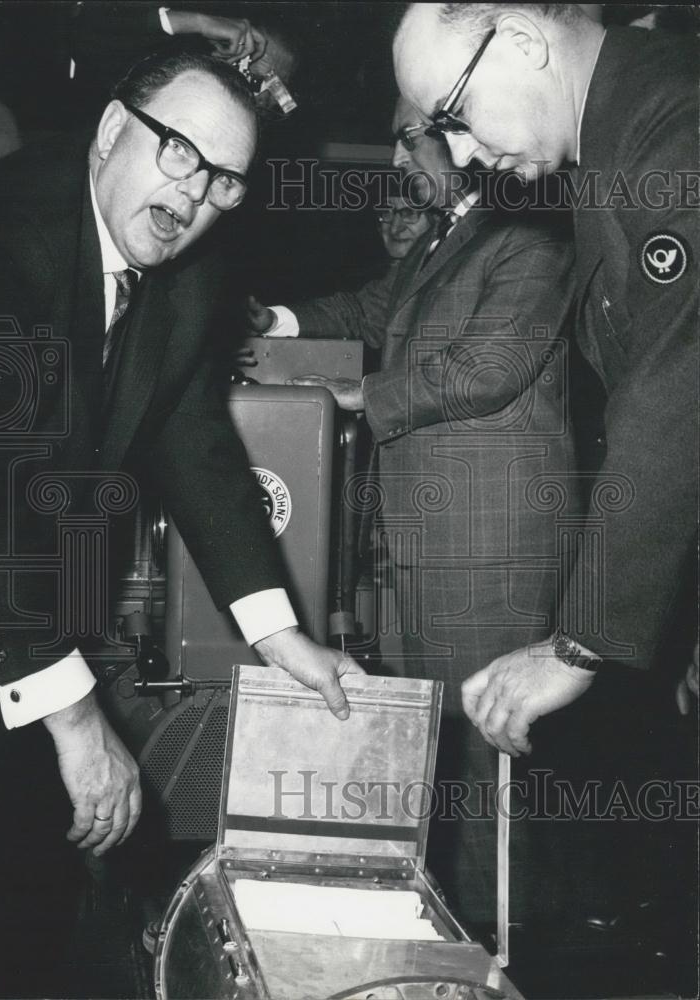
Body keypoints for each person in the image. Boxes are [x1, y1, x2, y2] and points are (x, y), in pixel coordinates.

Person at [0, 42, 362, 873]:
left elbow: (189, 439)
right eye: (180, 149)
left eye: (223, 178)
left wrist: (277, 636)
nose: (193, 194)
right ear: (113, 127)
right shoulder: (7, 238)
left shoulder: (189, 268)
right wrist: (79, 721)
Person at [247, 97, 577, 927]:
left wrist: (358, 393)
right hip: (429, 538)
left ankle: (495, 952)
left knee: (480, 762)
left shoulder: (536, 231)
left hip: (490, 546)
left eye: (405, 138)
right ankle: (443, 937)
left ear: (460, 136)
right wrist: (273, 324)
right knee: (434, 753)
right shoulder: (451, 233)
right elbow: (369, 310)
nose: (396, 161)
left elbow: (489, 366)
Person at [393, 1, 698, 756]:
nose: (459, 155)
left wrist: (580, 643)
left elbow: (676, 386)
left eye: (454, 115)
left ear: (523, 40)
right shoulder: (613, 141)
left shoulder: (671, 123)